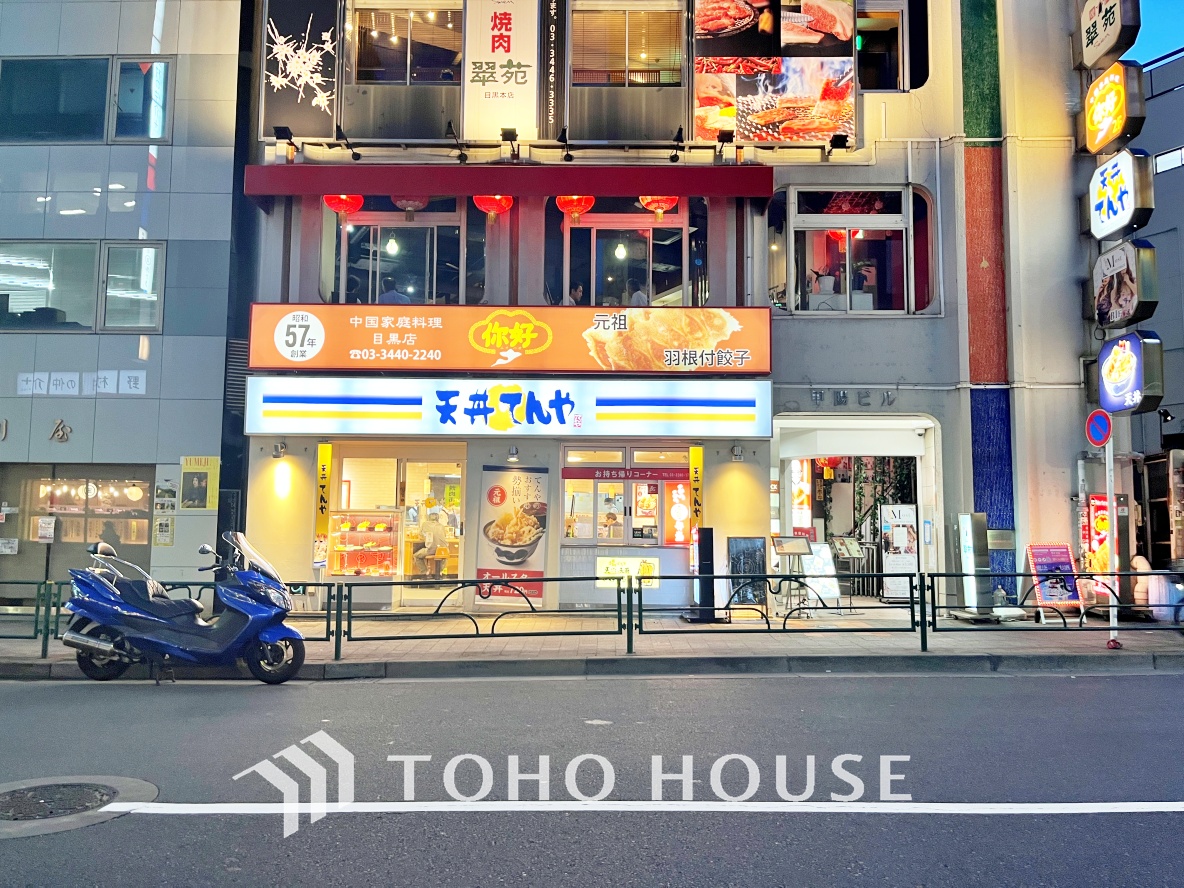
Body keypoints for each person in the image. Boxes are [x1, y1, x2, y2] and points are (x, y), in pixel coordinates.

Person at [413, 512, 450, 576]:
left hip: (431, 550)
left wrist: (426, 537)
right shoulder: (442, 526)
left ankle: (424, 572)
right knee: (445, 555)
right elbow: (444, 535)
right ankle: (441, 571)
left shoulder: (424, 524)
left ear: (428, 518)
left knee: (416, 555)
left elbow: (420, 535)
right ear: (438, 518)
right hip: (443, 550)